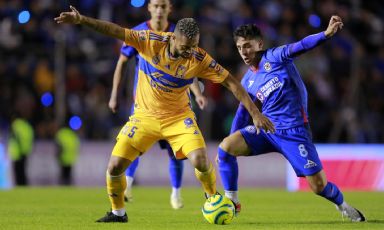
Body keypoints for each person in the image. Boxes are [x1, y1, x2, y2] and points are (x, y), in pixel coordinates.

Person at [55, 6, 275, 223]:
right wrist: (82, 19)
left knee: (199, 160)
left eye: (195, 46)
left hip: (179, 119)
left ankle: (211, 196)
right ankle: (118, 213)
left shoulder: (198, 58)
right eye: (187, 47)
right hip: (144, 118)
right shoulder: (149, 41)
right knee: (114, 167)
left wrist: (255, 113)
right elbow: (114, 30)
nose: (191, 52)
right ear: (173, 39)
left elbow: (232, 83)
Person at [217, 16, 366, 222]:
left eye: (248, 46)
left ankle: (342, 205)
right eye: (240, 47)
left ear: (259, 44)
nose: (244, 52)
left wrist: (326, 34)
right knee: (225, 148)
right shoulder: (248, 79)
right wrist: (232, 135)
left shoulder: (276, 57)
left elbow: (301, 46)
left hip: (294, 132)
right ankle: (231, 201)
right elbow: (244, 112)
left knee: (318, 186)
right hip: (268, 129)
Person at [109, 0, 208, 209]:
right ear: (149, 8)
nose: (160, 10)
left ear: (170, 8)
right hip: (144, 104)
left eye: (164, 6)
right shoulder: (139, 33)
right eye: (156, 6)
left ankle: (176, 193)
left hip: (174, 107)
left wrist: (198, 94)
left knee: (176, 152)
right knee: (132, 146)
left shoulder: (180, 33)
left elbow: (188, 71)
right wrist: (114, 95)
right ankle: (128, 186)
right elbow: (122, 63)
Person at [8, 117, 34, 186]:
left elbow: (17, 139)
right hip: (25, 151)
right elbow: (31, 139)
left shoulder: (16, 125)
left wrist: (20, 150)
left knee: (18, 171)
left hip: (18, 153)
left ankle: (20, 185)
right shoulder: (27, 127)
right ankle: (23, 186)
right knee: (22, 171)